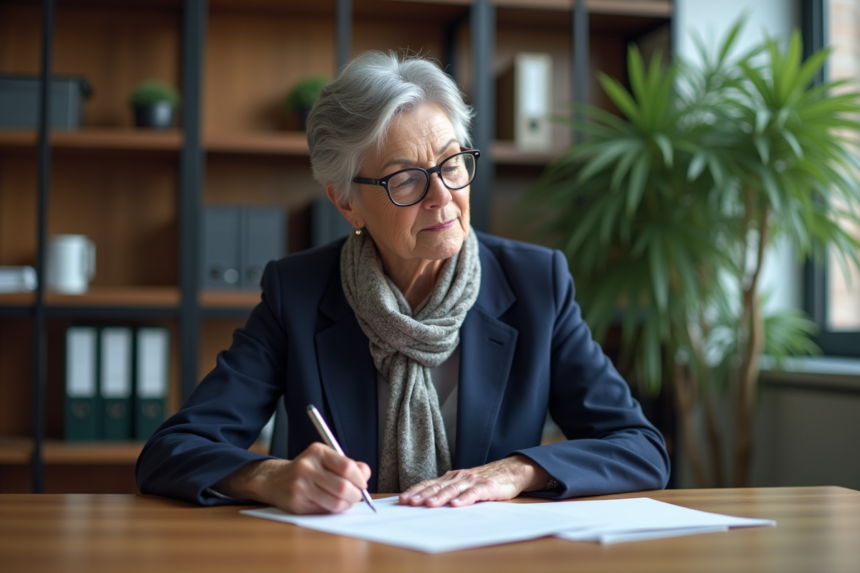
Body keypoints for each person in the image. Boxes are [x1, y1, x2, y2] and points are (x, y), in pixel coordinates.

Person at [135, 51, 670, 515]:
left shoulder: (536, 284)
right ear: (346, 202)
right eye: (406, 179)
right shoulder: (297, 292)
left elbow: (639, 447)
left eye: (452, 164)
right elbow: (172, 450)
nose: (442, 197)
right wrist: (268, 476)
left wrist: (517, 471)